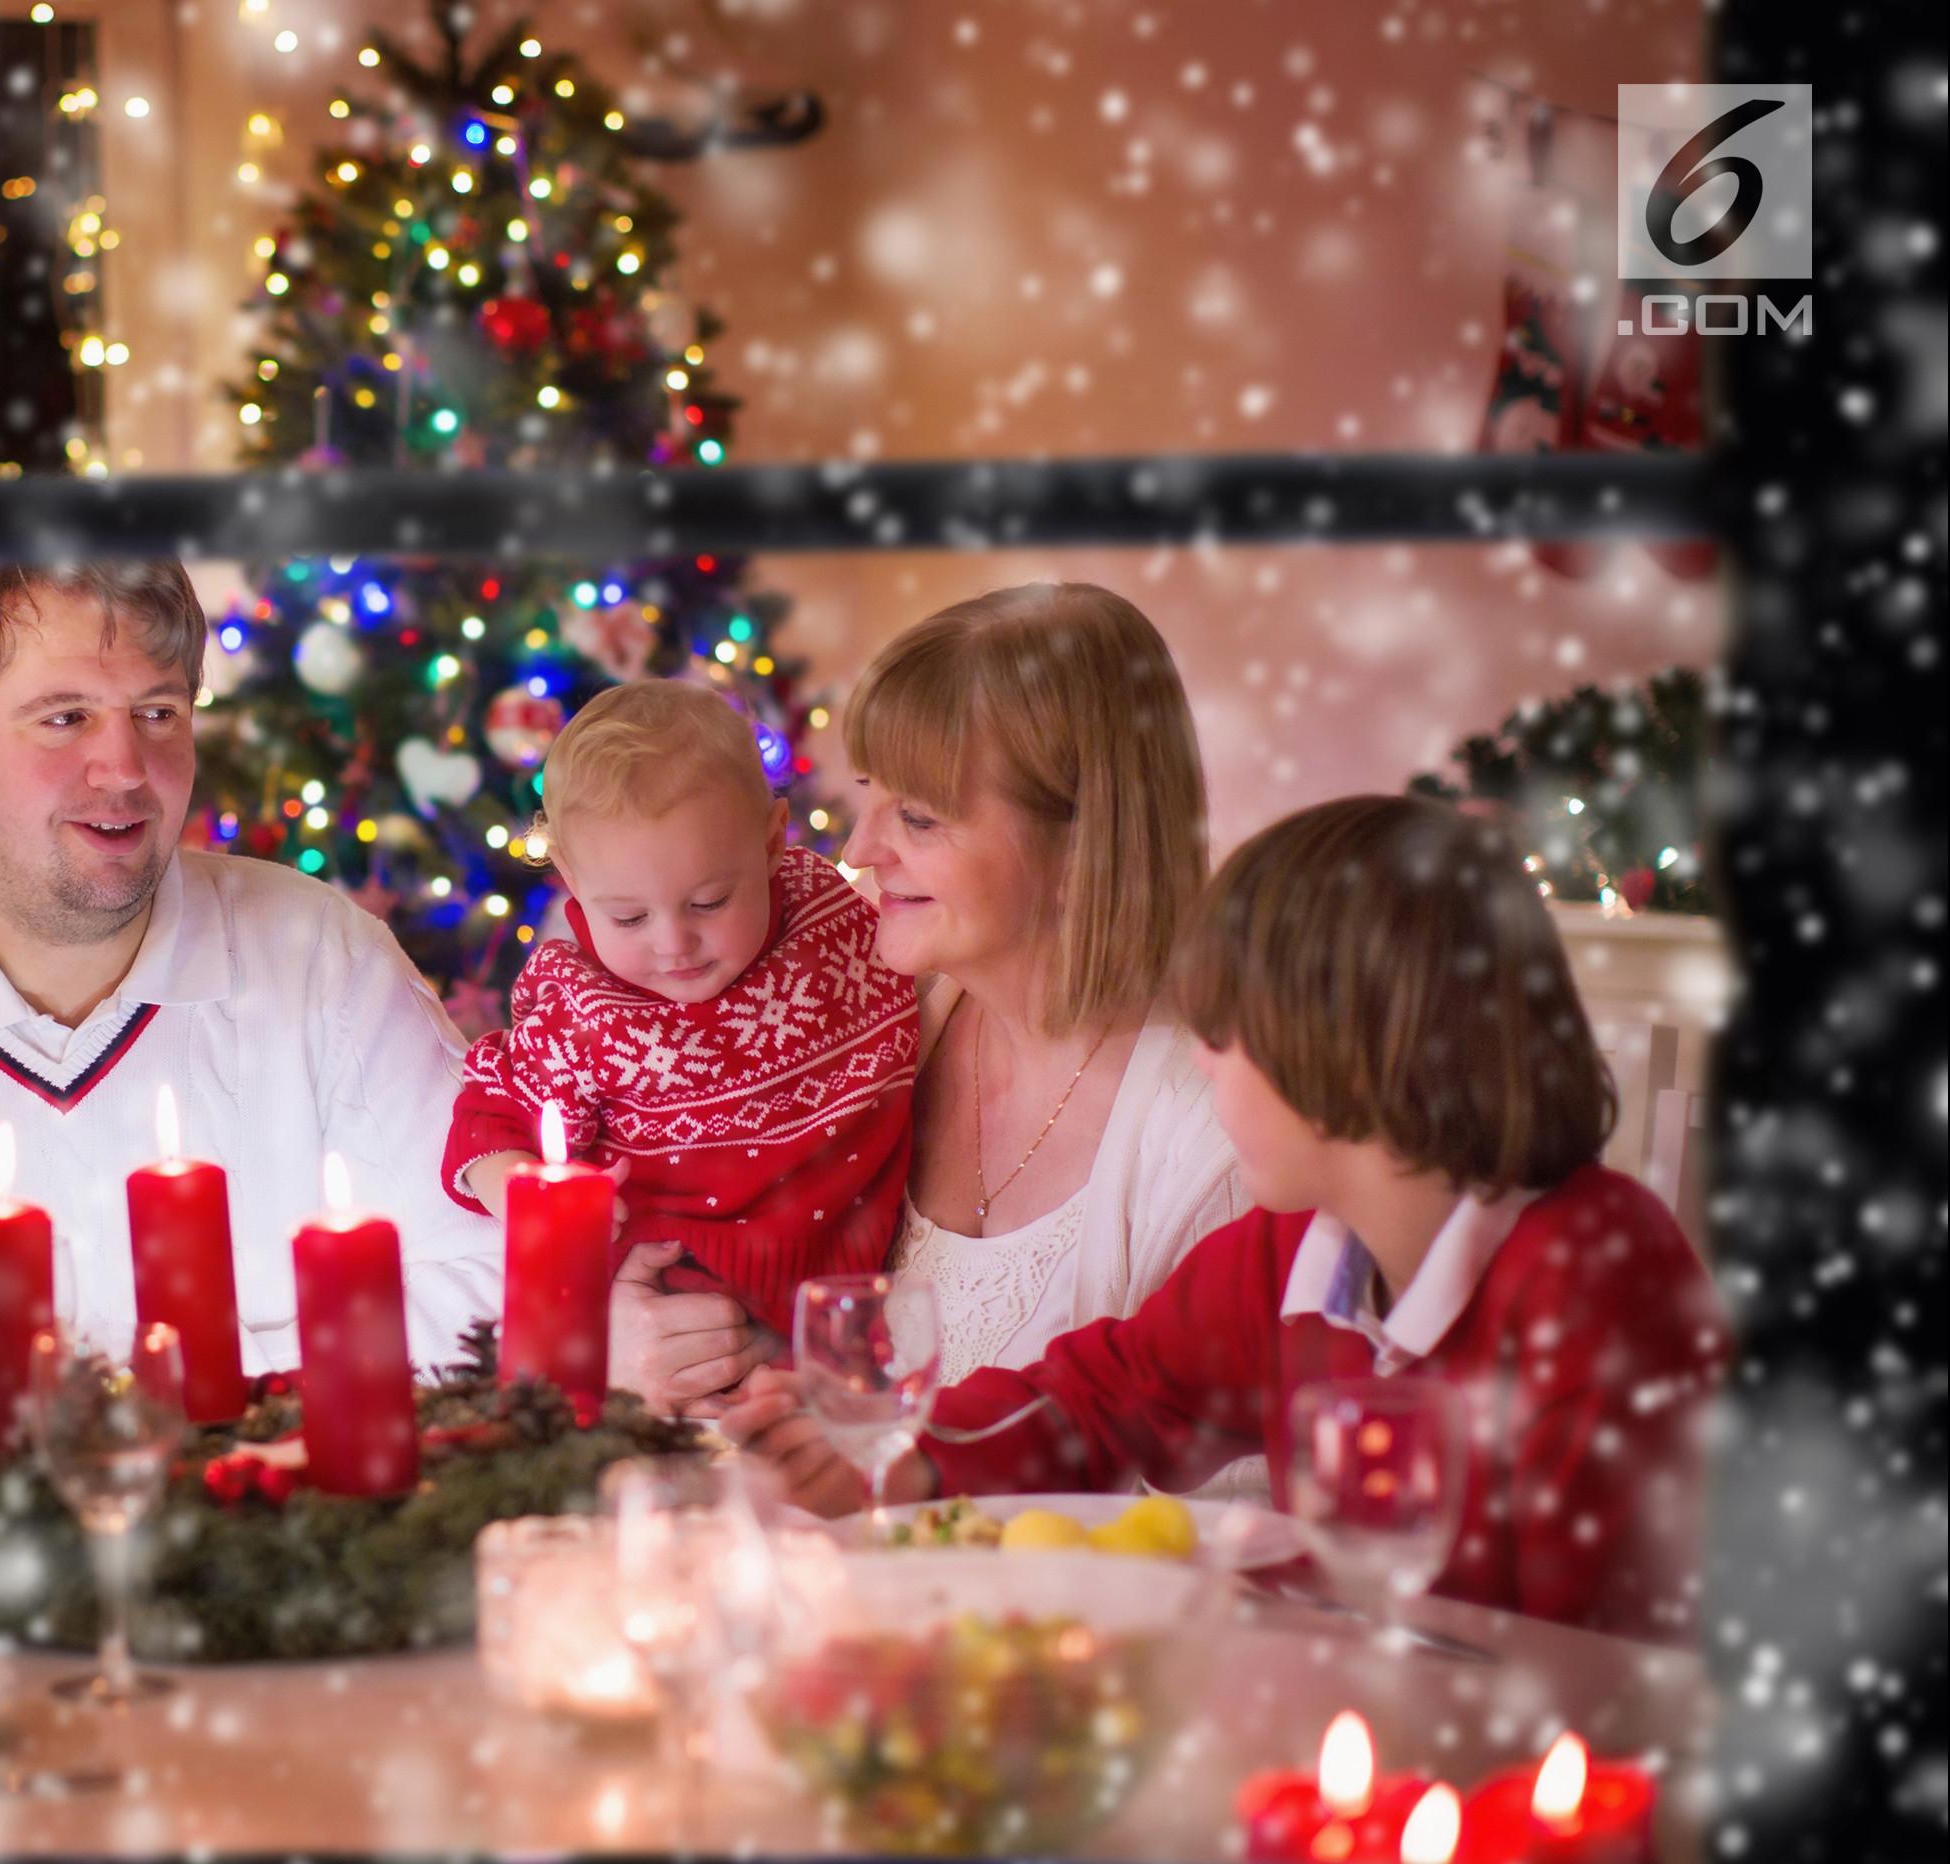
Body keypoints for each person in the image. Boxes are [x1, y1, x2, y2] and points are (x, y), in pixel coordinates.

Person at [725, 795, 1731, 1642]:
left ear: (1342, 1049)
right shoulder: (1299, 1251)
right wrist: (897, 1451)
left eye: (1220, 1032)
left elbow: (1605, 1668)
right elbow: (1103, 1398)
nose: (1200, 1062)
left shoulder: (1599, 1281)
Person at [0, 561, 501, 1373]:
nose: (126, 768)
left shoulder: (321, 960)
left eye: (159, 712)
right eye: (65, 718)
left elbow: (487, 1280)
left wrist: (187, 1403)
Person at [613, 583, 1245, 1414]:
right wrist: (639, 1343)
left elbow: (1226, 1513)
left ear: (1079, 841)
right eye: (869, 790)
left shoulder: (1213, 1133)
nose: (859, 846)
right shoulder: (873, 1029)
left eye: (916, 817)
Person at [440, 679, 917, 1344]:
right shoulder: (579, 1006)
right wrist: (524, 1191)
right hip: (680, 1308)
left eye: (710, 902)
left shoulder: (833, 920)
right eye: (628, 916)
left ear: (774, 844)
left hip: (852, 1289)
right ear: (573, 882)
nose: (673, 945)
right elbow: (492, 1117)